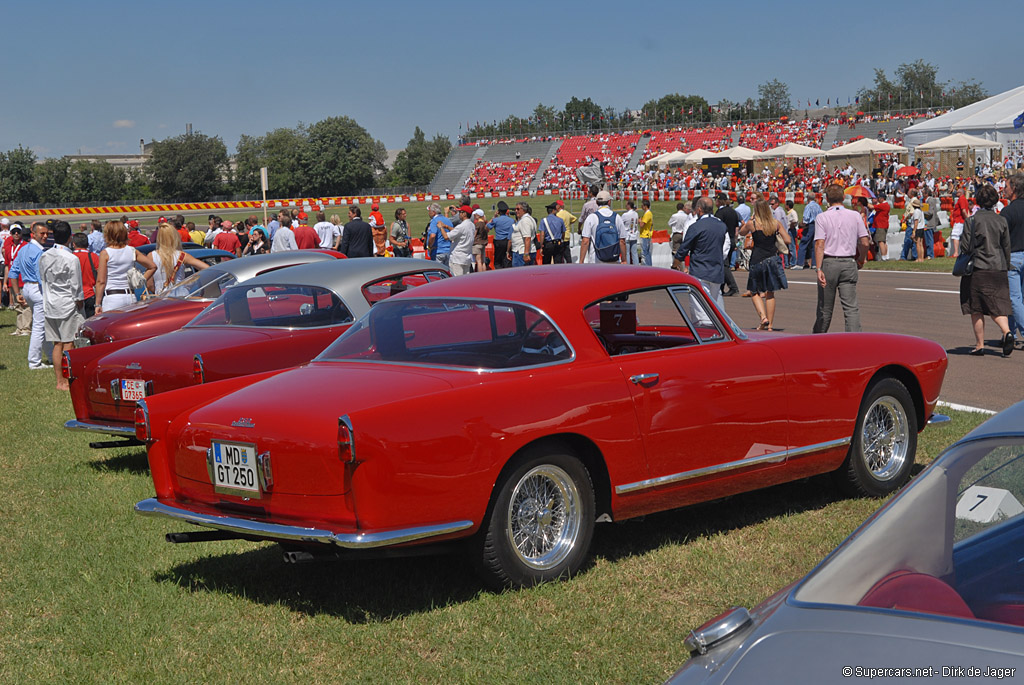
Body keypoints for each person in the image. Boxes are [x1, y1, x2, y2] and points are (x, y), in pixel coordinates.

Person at [959, 184, 1013, 356]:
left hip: (978, 268)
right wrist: (1007, 265)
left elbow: (966, 247)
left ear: (978, 201)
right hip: (998, 267)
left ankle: (980, 344)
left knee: (976, 308)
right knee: (998, 305)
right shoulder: (1001, 220)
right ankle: (1007, 331)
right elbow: (1006, 247)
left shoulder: (972, 221)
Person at [812, 184, 870, 334]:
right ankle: (854, 340)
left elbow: (819, 243)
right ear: (844, 198)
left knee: (825, 308)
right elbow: (864, 242)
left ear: (826, 199)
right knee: (851, 308)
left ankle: (818, 338)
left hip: (829, 262)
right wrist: (861, 260)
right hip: (849, 262)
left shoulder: (822, 217)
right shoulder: (855, 215)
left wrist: (818, 268)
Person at [37, 221, 84, 389]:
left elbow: (43, 280)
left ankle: (60, 380)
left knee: (57, 343)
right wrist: (79, 302)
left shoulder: (44, 255)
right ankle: (68, 379)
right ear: (70, 237)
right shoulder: (72, 258)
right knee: (68, 343)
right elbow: (76, 286)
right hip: (67, 304)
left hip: (50, 303)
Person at [739, 200, 791, 330]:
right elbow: (788, 240)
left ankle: (763, 317)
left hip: (757, 259)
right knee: (770, 292)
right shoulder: (775, 223)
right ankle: (771, 325)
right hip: (772, 258)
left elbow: (741, 233)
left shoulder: (753, 224)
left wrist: (749, 221)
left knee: (754, 291)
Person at [673, 196, 730, 312]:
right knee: (715, 306)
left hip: (700, 270)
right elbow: (726, 246)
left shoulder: (695, 226)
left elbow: (683, 249)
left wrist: (675, 264)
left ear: (699, 210)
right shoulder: (721, 225)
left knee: (699, 308)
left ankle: (704, 328)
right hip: (717, 271)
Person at [7, 222, 51, 368]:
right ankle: (34, 361)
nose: (45, 236)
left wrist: (17, 293)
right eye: (42, 233)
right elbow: (41, 277)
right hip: (37, 289)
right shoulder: (39, 252)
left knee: (42, 324)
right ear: (34, 234)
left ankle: (50, 356)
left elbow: (13, 272)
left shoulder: (23, 249)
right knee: (39, 326)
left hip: (26, 288)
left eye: (46, 233)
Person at [95, 220, 156, 313]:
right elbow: (152, 266)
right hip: (130, 296)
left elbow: (101, 281)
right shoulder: (132, 251)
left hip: (112, 297)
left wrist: (98, 304)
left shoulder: (106, 253)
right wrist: (140, 281)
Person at [148, 224, 209, 297]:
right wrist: (190, 281)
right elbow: (206, 268)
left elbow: (149, 284)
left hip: (161, 296)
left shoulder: (151, 256)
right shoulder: (182, 256)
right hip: (181, 296)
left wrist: (158, 290)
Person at [1001, 174, 1024, 346]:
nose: (1004, 189)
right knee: (1018, 299)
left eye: (1006, 186)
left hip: (1013, 256)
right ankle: (1009, 333)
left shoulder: (1008, 211)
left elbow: (1001, 236)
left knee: (1014, 299)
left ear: (1014, 188)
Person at [579, 191, 627, 265]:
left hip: (595, 260)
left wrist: (581, 261)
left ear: (597, 202)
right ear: (609, 202)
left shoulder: (591, 218)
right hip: (613, 259)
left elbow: (585, 241)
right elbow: (622, 241)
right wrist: (624, 259)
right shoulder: (617, 217)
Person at [3, 225, 31, 335]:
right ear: (10, 233)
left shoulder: (25, 246)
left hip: (23, 279)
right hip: (13, 279)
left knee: (26, 304)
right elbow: (7, 265)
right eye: (13, 232)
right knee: (17, 305)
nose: (16, 234)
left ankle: (26, 328)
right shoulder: (9, 246)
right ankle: (19, 328)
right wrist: (5, 281)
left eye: (18, 232)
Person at [714, 193, 741, 296]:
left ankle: (733, 287)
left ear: (718, 201)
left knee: (724, 265)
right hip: (732, 238)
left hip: (724, 240)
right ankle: (721, 287)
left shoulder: (720, 213)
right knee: (726, 265)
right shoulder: (733, 212)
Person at [439, 205, 475, 275]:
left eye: (460, 212)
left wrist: (441, 228)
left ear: (464, 214)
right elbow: (457, 231)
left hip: (457, 259)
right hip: (466, 258)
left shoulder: (461, 226)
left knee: (457, 282)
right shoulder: (472, 225)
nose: (459, 214)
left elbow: (446, 237)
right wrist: (446, 226)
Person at [71, 232, 98, 317]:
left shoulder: (70, 257)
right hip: (90, 295)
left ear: (74, 244)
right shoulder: (93, 256)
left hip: (74, 296)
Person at [798, 194, 822, 270]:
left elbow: (806, 217)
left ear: (808, 198)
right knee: (814, 244)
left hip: (810, 225)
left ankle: (800, 263)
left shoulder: (808, 206)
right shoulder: (818, 206)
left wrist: (803, 224)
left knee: (803, 243)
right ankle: (814, 264)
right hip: (817, 225)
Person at [509, 202, 537, 267]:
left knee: (519, 274)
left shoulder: (525, 221)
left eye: (518, 209)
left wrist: (526, 254)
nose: (516, 211)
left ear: (524, 210)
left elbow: (527, 238)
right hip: (524, 250)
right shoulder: (529, 219)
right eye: (515, 209)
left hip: (521, 251)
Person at [487, 202, 514, 269]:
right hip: (509, 241)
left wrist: (494, 216)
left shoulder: (496, 220)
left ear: (499, 211)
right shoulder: (512, 220)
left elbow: (488, 226)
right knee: (508, 259)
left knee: (498, 261)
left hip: (499, 242)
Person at [555, 200, 577, 264]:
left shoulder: (558, 215)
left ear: (558, 206)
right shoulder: (567, 213)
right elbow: (574, 218)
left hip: (561, 236)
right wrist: (569, 223)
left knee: (559, 255)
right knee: (567, 254)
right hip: (567, 236)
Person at [949, 189, 970, 259]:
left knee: (955, 235)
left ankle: (956, 252)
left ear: (961, 193)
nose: (956, 193)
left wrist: (967, 219)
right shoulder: (963, 199)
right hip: (960, 220)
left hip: (959, 220)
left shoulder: (961, 199)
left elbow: (963, 210)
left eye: (957, 192)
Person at [870, 195, 891, 260]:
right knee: (883, 241)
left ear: (882, 198)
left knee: (880, 241)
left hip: (881, 225)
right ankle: (885, 256)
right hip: (883, 225)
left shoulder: (883, 205)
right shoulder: (885, 205)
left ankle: (883, 257)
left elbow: (872, 207)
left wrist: (865, 202)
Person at [638, 199, 654, 266]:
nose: (641, 207)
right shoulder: (647, 213)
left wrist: (639, 221)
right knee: (647, 252)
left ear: (645, 206)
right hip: (646, 235)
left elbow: (642, 224)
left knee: (645, 253)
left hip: (645, 235)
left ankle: (647, 266)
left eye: (642, 205)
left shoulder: (647, 214)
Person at [784, 200, 799, 267]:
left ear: (788, 206)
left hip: (791, 230)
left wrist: (791, 225)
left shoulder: (793, 212)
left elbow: (795, 220)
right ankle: (787, 263)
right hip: (787, 231)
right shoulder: (788, 213)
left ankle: (793, 263)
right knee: (786, 247)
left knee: (791, 247)